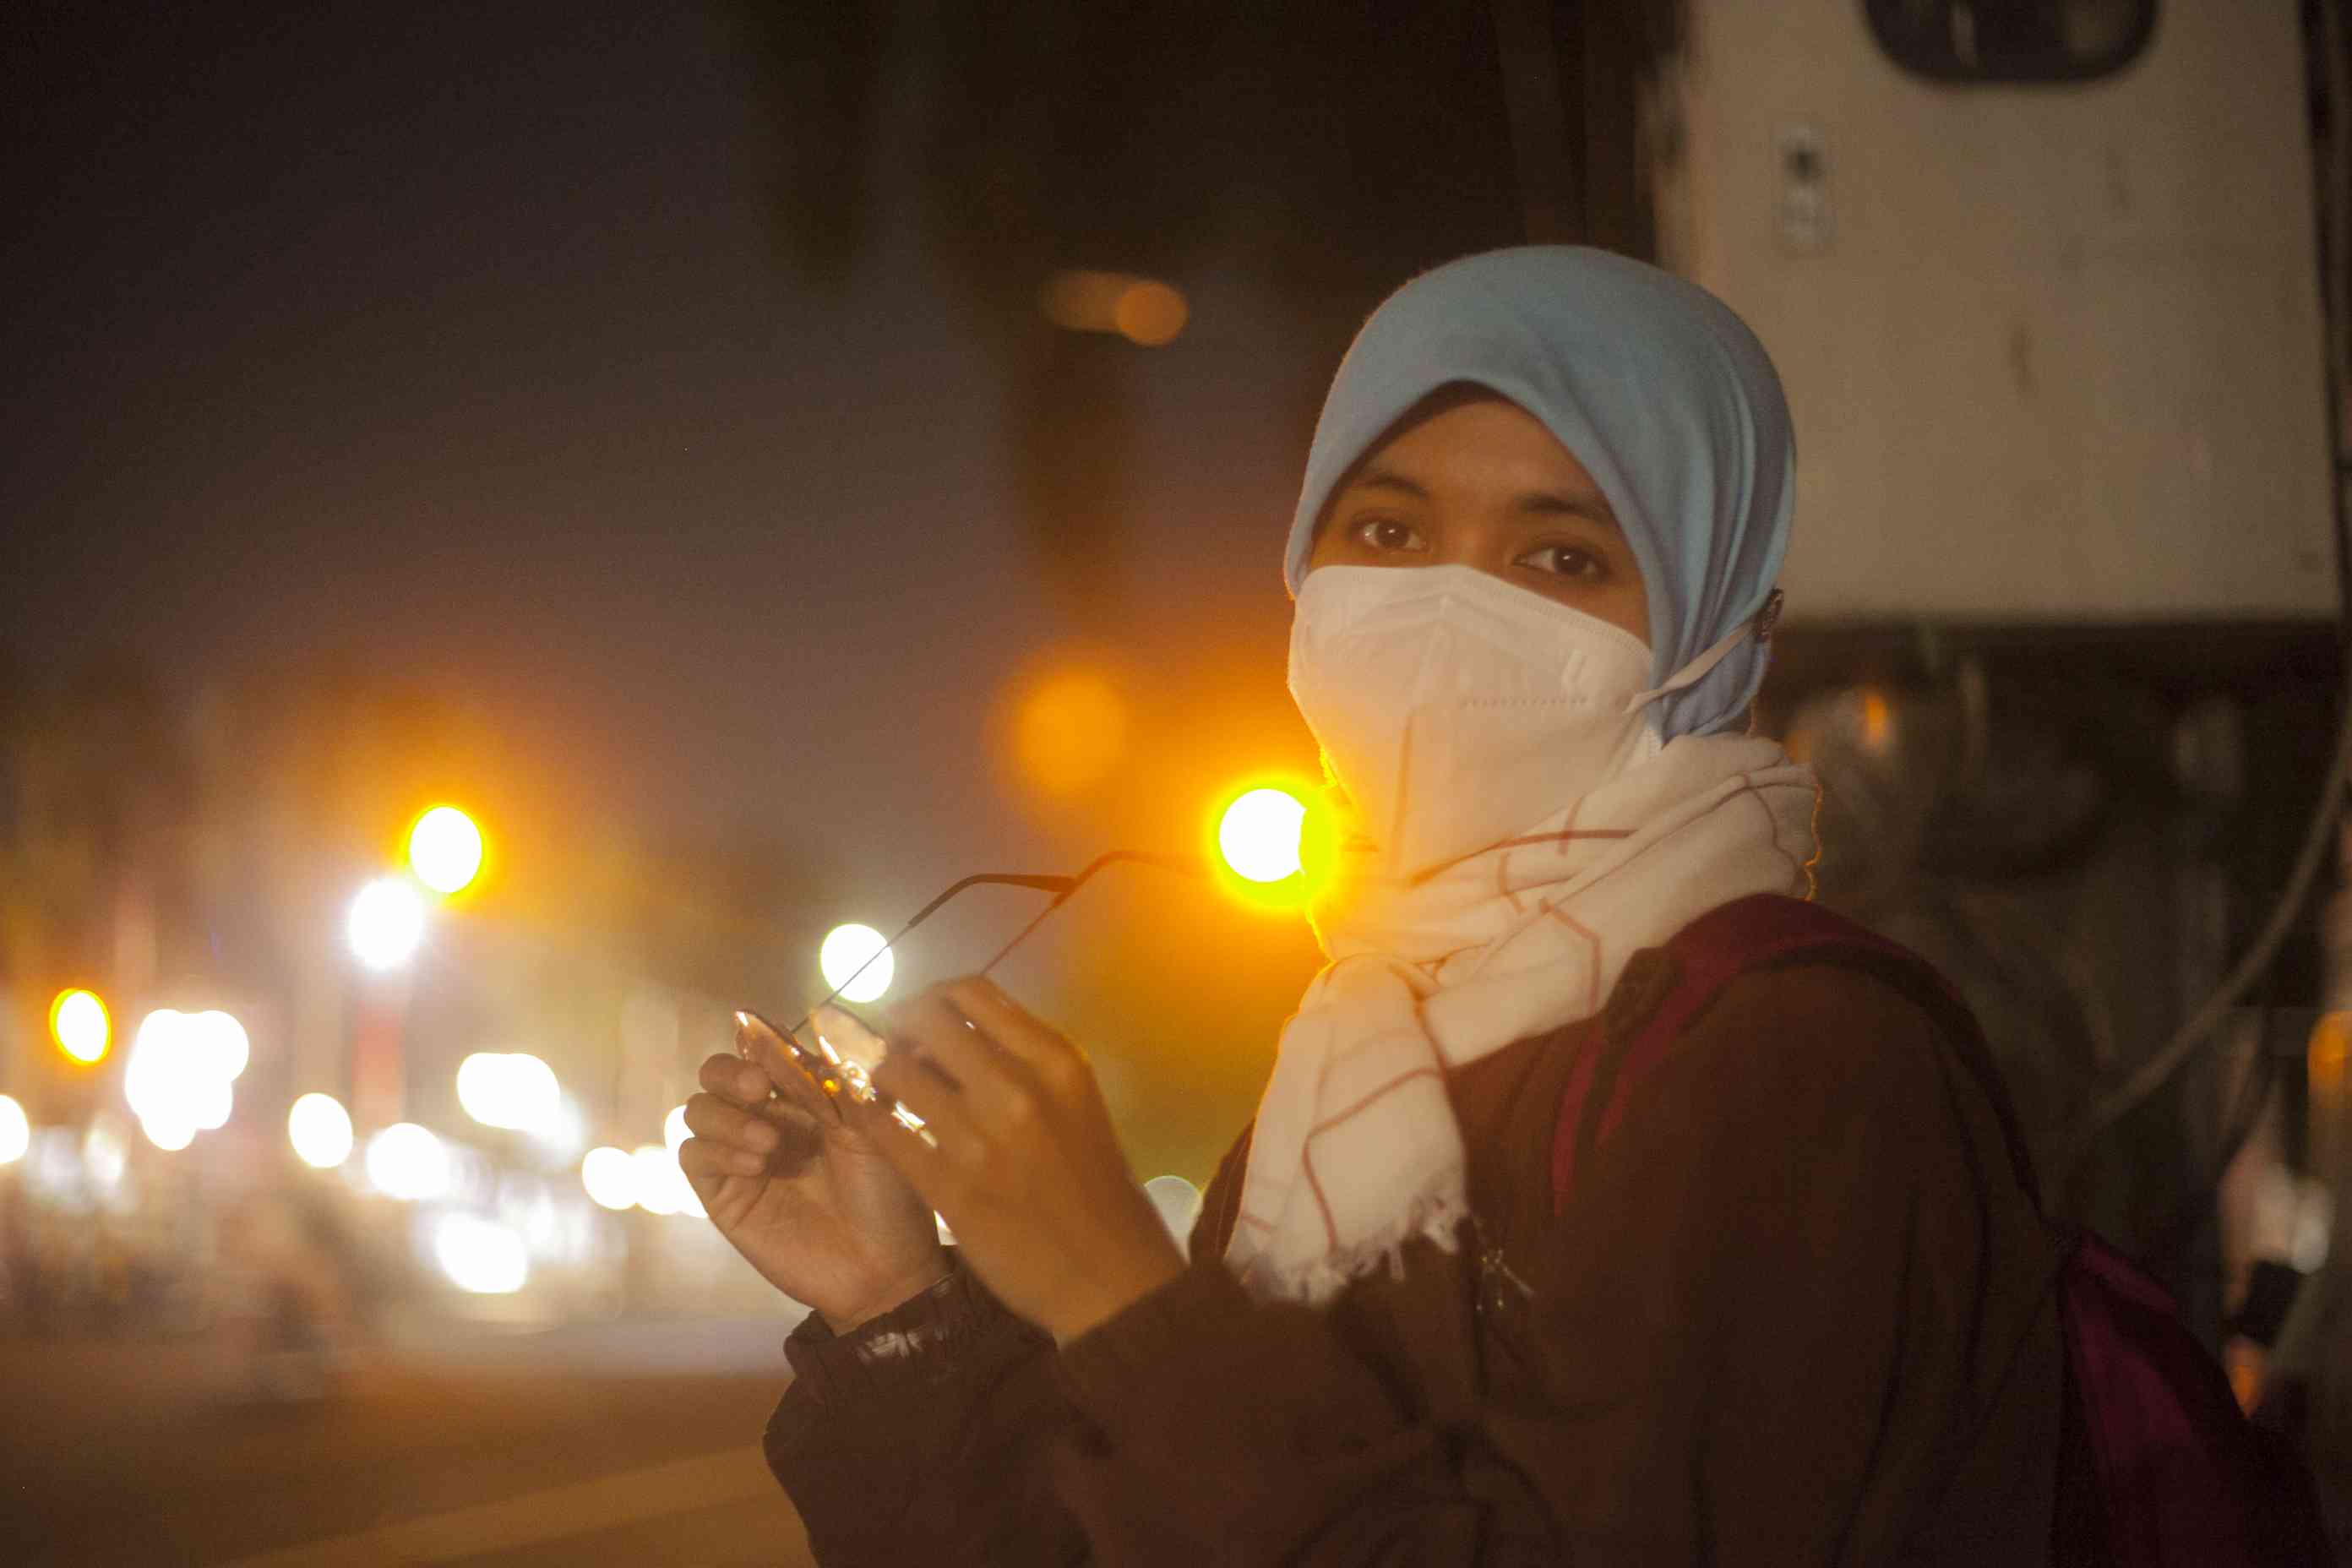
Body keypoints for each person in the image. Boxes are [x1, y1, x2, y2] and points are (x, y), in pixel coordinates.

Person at [682, 247, 2065, 1563]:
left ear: (1716, 637)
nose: (1447, 607)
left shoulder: (1799, 1070)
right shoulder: (1357, 1062)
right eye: (1390, 530)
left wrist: (1117, 1295)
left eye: (1561, 558)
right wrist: (896, 1310)